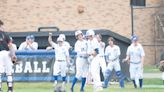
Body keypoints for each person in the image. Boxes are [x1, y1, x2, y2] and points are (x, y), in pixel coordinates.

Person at [0, 20, 17, 92]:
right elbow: (10, 46)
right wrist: (13, 55)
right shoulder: (6, 34)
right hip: (7, 53)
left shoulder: (5, 34)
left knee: (0, 73)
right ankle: (10, 89)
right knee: (9, 72)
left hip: (0, 53)